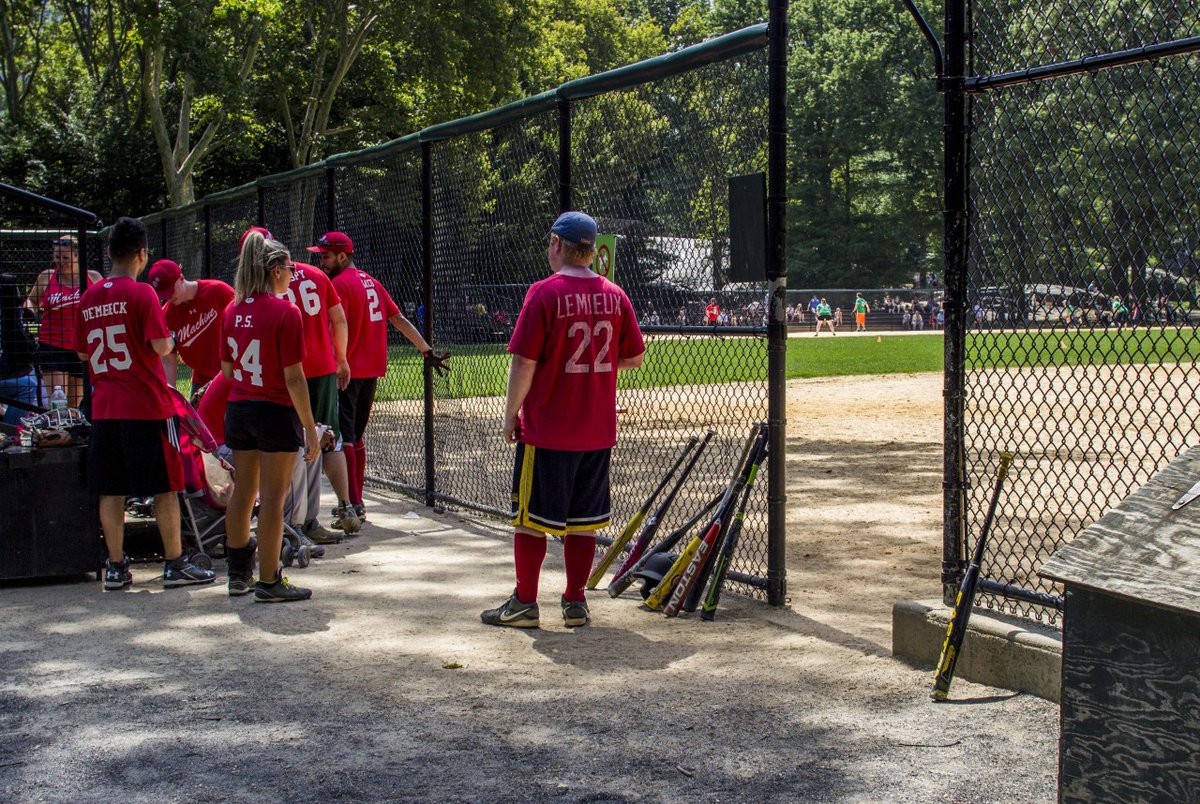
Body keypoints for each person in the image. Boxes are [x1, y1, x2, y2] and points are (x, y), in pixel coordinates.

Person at [481, 211, 645, 629]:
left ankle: (524, 602)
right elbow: (634, 357)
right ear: (591, 249)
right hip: (596, 430)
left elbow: (523, 361)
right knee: (584, 521)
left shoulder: (544, 293)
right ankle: (574, 602)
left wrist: (510, 414)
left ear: (557, 243)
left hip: (549, 429)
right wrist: (597, 366)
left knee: (530, 521)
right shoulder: (615, 293)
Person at [73, 218, 216, 591]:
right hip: (146, 406)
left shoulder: (88, 296)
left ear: (108, 252)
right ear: (142, 254)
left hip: (105, 406)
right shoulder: (142, 294)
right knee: (165, 487)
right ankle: (173, 563)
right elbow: (159, 345)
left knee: (111, 489)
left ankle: (117, 567)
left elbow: (82, 351)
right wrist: (168, 340)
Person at [307, 231, 448, 524]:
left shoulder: (337, 285)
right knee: (355, 436)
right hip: (370, 370)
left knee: (343, 437)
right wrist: (425, 349)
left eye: (326, 256)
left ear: (342, 256)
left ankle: (353, 502)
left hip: (345, 371)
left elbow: (334, 325)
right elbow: (398, 319)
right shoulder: (371, 281)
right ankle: (357, 501)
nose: (322, 261)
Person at [220, 231, 319, 602]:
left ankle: (236, 575)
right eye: (290, 268)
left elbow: (227, 370)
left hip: (239, 408)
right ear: (276, 269)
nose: (292, 275)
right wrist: (309, 427)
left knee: (243, 492)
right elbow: (294, 376)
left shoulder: (232, 309)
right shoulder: (285, 311)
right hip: (274, 411)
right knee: (274, 500)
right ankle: (269, 580)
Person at [243, 226, 359, 540]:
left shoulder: (252, 291)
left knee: (292, 445)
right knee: (322, 437)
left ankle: (292, 524)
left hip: (281, 372)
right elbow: (339, 320)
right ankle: (343, 506)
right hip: (319, 366)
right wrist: (342, 358)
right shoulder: (315, 276)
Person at [26, 234, 102, 407]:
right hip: (52, 345)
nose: (60, 261)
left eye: (66, 258)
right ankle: (54, 431)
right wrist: (30, 309)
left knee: (75, 405)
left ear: (76, 256)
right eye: (57, 257)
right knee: (57, 401)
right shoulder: (46, 277)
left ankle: (71, 433)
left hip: (82, 346)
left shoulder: (93, 278)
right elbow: (31, 300)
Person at [148, 258, 235, 394]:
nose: (168, 296)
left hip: (232, 374)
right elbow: (168, 360)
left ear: (181, 278)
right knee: (196, 416)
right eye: (163, 293)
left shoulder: (217, 291)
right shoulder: (167, 315)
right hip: (202, 379)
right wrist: (171, 395)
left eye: (170, 290)